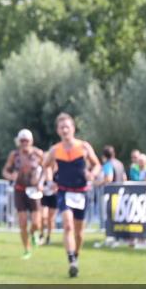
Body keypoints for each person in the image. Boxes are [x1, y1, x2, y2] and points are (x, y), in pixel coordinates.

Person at [43, 113, 101, 278]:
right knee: (67, 224)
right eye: (61, 127)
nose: (65, 130)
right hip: (64, 191)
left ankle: (76, 256)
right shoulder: (55, 150)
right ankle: (71, 261)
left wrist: (92, 173)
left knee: (79, 232)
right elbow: (46, 166)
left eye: (67, 127)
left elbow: (97, 164)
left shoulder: (83, 146)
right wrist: (50, 181)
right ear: (58, 131)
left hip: (81, 192)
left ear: (73, 129)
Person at [2, 129, 44, 259]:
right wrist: (10, 176)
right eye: (22, 140)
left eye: (27, 140)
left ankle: (34, 234)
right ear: (19, 142)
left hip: (34, 190)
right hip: (19, 190)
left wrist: (41, 182)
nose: (24, 143)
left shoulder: (38, 154)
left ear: (31, 141)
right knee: (22, 222)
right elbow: (5, 171)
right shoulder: (14, 155)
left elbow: (48, 168)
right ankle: (26, 250)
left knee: (36, 222)